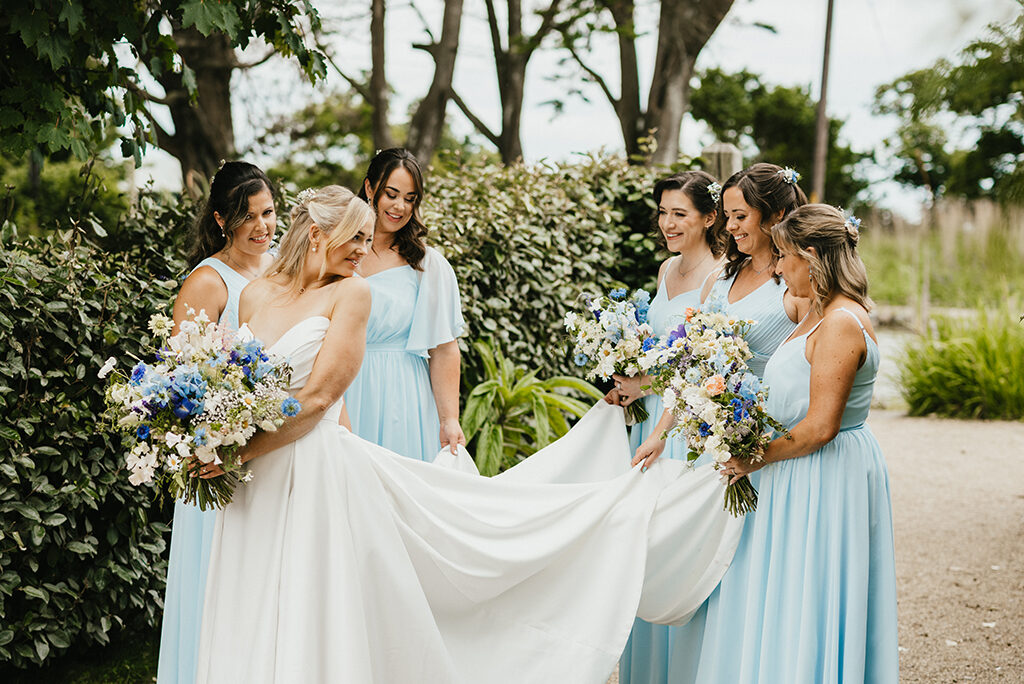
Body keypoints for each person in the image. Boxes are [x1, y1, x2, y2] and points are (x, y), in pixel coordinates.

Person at [193, 185, 746, 684]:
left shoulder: (353, 294)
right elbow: (238, 383)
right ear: (317, 234)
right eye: (356, 238)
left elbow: (318, 399)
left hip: (306, 466)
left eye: (366, 238)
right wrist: (213, 437)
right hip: (254, 473)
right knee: (252, 586)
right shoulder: (254, 295)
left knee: (311, 592)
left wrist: (238, 452)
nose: (364, 249)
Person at [684, 204, 899, 682]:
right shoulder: (817, 312)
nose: (778, 269)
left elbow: (821, 426)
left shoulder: (840, 322)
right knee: (786, 587)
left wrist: (751, 457)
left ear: (812, 256)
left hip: (824, 471)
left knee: (810, 588)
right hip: (798, 466)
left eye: (783, 257)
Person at [627, 162, 810, 684]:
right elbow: (691, 363)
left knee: (737, 572)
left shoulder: (796, 283)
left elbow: (811, 367)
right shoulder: (723, 276)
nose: (730, 227)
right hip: (703, 439)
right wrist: (660, 434)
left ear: (774, 216)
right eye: (727, 216)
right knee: (689, 563)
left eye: (739, 216)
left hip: (756, 446)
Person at [157, 161, 277, 684]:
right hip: (220, 458)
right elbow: (178, 383)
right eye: (247, 216)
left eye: (268, 212)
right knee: (217, 580)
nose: (262, 226)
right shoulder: (208, 281)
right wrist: (218, 442)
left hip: (270, 449)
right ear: (222, 220)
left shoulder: (281, 267)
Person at [605, 171, 726, 684]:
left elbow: (701, 363)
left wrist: (646, 385)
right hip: (650, 421)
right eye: (662, 212)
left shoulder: (719, 276)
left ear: (710, 217)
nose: (668, 223)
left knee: (677, 544)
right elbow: (660, 351)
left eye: (680, 213)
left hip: (683, 425)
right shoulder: (665, 268)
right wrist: (627, 377)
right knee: (644, 544)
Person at [346, 148, 466, 461]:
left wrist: (449, 419)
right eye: (391, 194)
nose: (400, 206)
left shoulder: (427, 265)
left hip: (404, 395)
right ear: (370, 187)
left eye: (410, 199)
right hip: (345, 387)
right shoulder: (337, 253)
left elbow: (444, 348)